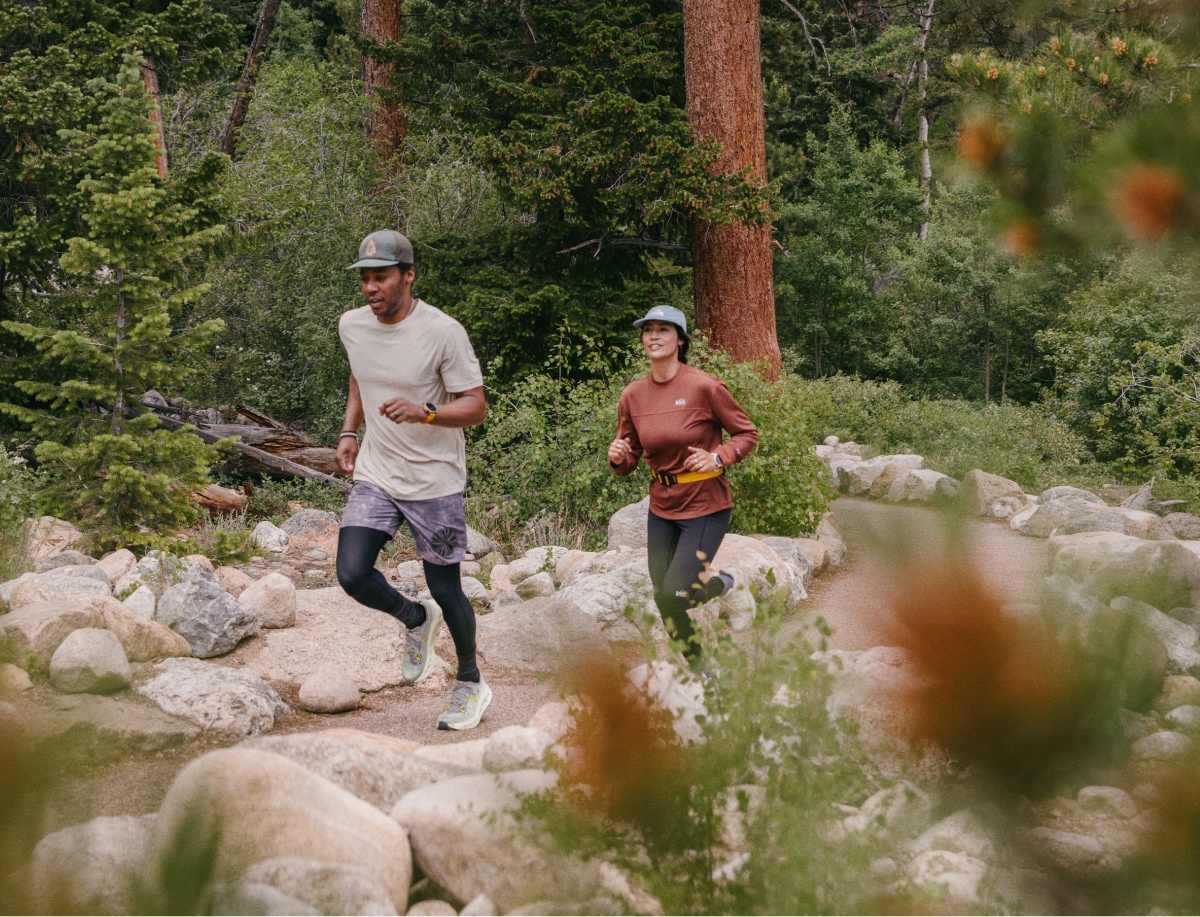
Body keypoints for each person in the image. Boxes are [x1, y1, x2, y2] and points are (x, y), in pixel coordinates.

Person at [334, 229, 491, 731]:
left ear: (408, 275)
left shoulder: (444, 332)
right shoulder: (352, 326)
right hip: (378, 471)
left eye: (381, 277)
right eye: (365, 279)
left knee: (446, 588)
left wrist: (425, 413)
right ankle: (414, 619)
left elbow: (476, 407)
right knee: (352, 574)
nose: (371, 288)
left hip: (434, 481)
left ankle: (470, 683)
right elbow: (360, 372)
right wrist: (349, 429)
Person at [608, 305, 759, 673]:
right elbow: (629, 460)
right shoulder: (633, 395)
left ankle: (728, 583)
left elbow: (747, 433)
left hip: (706, 506)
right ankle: (704, 673)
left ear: (680, 339)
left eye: (663, 329)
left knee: (675, 595)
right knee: (664, 599)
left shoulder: (704, 387)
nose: (654, 336)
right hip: (662, 508)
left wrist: (718, 458)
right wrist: (617, 457)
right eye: (648, 330)